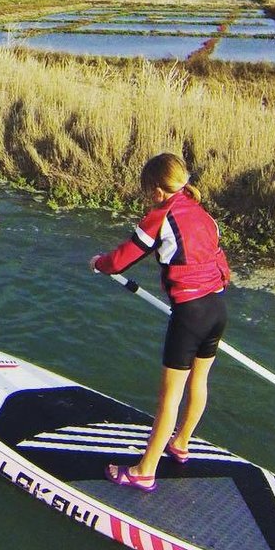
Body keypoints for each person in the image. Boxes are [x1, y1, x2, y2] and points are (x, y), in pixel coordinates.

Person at [90, 153, 231, 492]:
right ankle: (181, 443)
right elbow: (222, 268)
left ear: (156, 190)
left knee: (169, 397)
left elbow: (123, 258)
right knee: (200, 382)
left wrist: (99, 263)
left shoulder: (160, 216)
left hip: (190, 316)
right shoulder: (205, 217)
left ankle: (144, 471)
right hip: (216, 310)